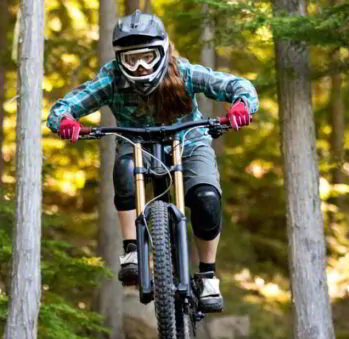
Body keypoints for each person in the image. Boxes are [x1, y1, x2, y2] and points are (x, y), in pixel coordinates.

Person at [47, 10, 259, 313]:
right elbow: (64, 106)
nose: (141, 66)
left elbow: (237, 85)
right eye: (132, 60)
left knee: (206, 198)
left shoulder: (184, 72)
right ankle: (132, 251)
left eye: (147, 57)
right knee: (124, 170)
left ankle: (208, 276)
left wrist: (241, 106)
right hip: (135, 144)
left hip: (188, 141)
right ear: (120, 59)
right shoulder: (111, 79)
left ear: (163, 51)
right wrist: (66, 122)